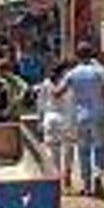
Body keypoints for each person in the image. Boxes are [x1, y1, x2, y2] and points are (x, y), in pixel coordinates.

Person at [57, 42, 104, 197]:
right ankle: (97, 175)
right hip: (98, 114)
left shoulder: (72, 73)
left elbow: (58, 91)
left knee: (83, 150)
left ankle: (86, 185)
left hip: (80, 116)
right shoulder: (100, 71)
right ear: (92, 54)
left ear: (77, 56)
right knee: (100, 147)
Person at [37, 61, 75, 191]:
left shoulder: (46, 83)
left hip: (50, 118)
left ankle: (56, 177)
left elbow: (40, 104)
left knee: (53, 151)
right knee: (68, 148)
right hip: (67, 118)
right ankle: (67, 173)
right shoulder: (69, 83)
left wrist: (40, 120)